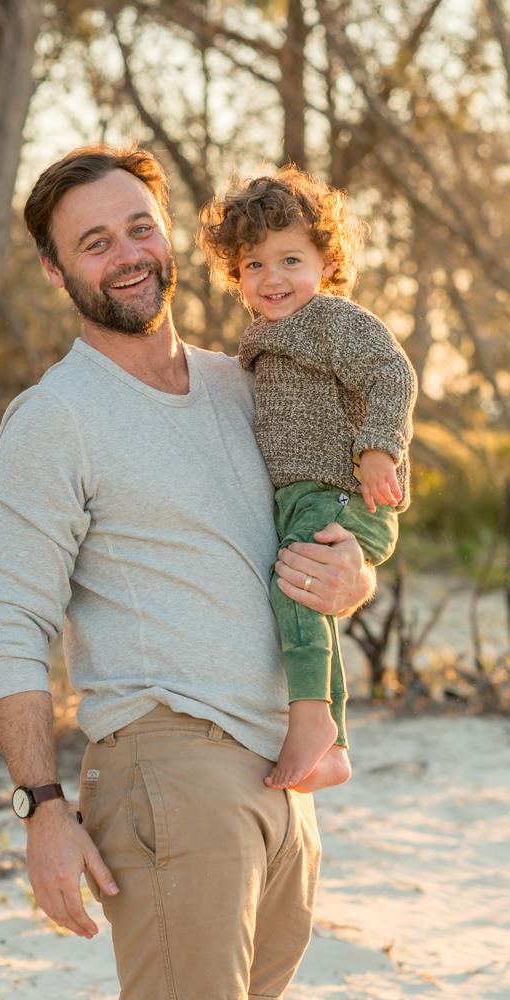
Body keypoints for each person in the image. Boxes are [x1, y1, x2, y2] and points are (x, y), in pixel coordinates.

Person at [0, 144, 375, 1000]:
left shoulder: (249, 381)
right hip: (168, 764)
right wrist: (42, 807)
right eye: (94, 243)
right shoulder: (56, 418)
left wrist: (353, 577)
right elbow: (12, 622)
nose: (126, 255)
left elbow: (315, 525)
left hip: (283, 771)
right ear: (55, 270)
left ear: (168, 239)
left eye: (137, 228)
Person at [198, 165, 417, 794]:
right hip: (305, 496)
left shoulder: (332, 320)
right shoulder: (262, 337)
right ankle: (333, 749)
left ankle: (310, 719)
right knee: (307, 602)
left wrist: (379, 448)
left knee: (294, 587)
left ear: (325, 261)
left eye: (290, 259)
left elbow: (391, 375)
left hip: (346, 491)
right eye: (253, 266)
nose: (272, 279)